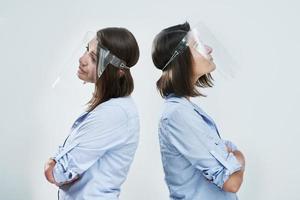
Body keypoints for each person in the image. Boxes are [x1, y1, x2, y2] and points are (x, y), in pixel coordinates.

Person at [151, 22, 246, 200]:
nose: (209, 49)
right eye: (197, 45)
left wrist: (231, 159)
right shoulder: (178, 114)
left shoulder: (186, 110)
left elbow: (228, 162)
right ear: (180, 59)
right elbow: (231, 182)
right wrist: (240, 157)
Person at [44, 27, 140, 200]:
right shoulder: (111, 107)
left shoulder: (113, 113)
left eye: (94, 58)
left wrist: (54, 164)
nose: (82, 60)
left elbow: (57, 173)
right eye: (87, 50)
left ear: (118, 71)